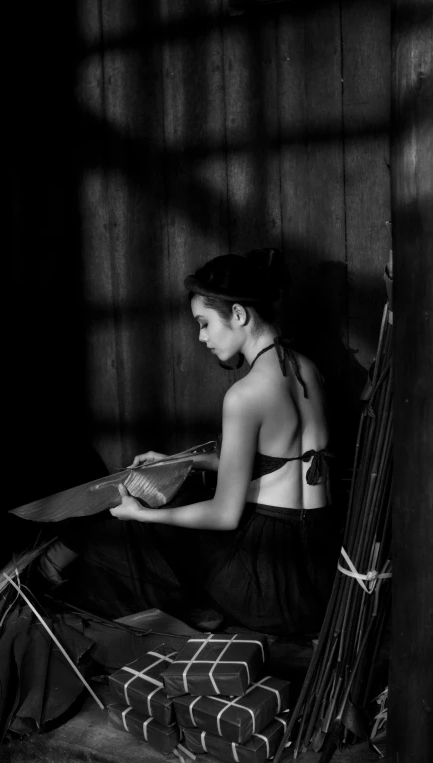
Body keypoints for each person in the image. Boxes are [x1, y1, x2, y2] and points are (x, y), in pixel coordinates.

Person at [50, 249, 340, 636]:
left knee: (138, 528)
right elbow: (279, 462)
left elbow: (224, 515)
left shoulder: (245, 394)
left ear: (238, 315)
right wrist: (179, 461)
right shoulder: (307, 369)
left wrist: (142, 515)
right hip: (318, 571)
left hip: (269, 583)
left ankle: (61, 584)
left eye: (204, 323)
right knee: (173, 496)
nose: (201, 337)